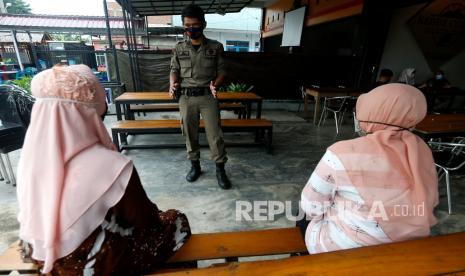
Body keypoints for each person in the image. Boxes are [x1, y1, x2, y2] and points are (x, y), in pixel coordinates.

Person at [17, 64, 191, 275]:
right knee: (176, 221)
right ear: (88, 114)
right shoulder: (110, 165)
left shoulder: (31, 159)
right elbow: (145, 220)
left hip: (39, 253)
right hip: (91, 266)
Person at [299, 83, 438, 254]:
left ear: (372, 112)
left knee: (301, 217)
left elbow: (311, 206)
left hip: (349, 248)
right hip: (409, 241)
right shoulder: (421, 150)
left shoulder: (341, 152)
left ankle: (304, 261)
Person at [169, 4, 231, 189]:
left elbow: (222, 71)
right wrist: (172, 83)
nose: (191, 29)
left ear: (203, 24)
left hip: (207, 97)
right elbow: (174, 69)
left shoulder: (215, 47)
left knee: (215, 135)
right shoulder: (179, 48)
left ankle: (220, 169)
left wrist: (215, 84)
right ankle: (195, 166)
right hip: (186, 98)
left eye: (194, 25)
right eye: (187, 25)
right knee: (190, 134)